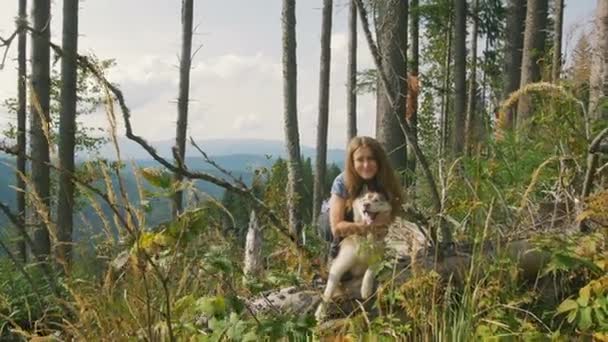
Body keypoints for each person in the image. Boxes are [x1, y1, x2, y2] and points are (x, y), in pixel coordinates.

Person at [327, 136, 403, 258]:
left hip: (368, 221)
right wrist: (368, 227)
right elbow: (336, 227)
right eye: (360, 160)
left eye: (371, 158)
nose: (366, 165)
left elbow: (392, 215)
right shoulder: (342, 181)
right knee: (328, 225)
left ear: (379, 160)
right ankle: (335, 250)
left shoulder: (388, 181)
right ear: (352, 163)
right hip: (336, 219)